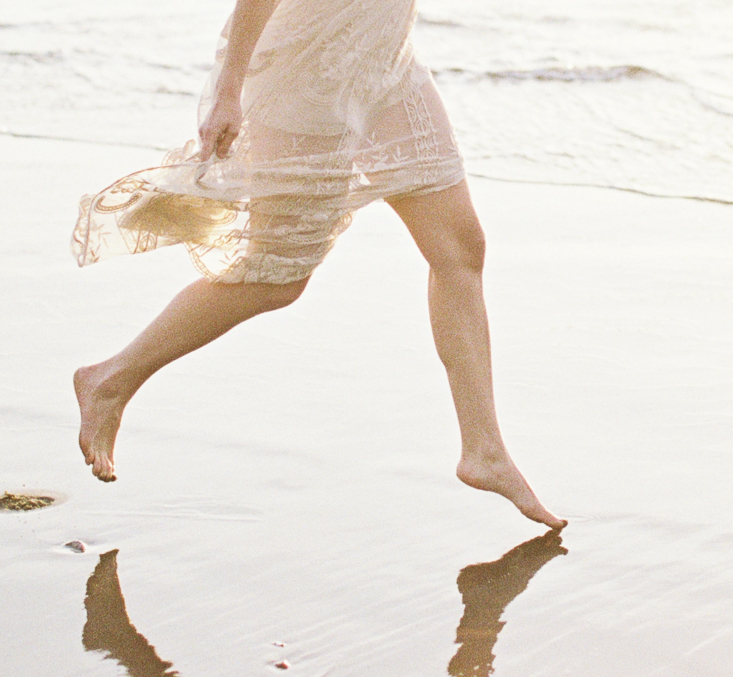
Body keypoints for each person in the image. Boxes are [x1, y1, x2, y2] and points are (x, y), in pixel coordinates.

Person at [72, 0, 565, 530]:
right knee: (276, 277)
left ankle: (484, 450)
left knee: (460, 250)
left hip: (388, 67)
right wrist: (228, 89)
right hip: (308, 72)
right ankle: (110, 378)